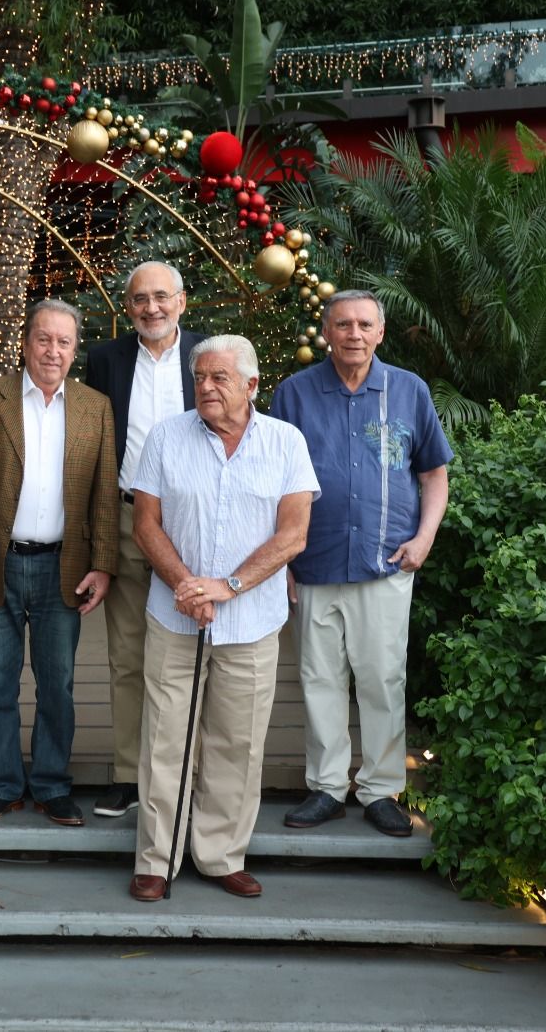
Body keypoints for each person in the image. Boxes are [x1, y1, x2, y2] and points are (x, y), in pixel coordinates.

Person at [126, 335, 317, 901]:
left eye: (219, 378)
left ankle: (219, 855)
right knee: (164, 738)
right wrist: (189, 585)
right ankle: (156, 861)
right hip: (174, 613)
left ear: (252, 385)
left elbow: (293, 535)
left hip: (252, 622)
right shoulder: (166, 437)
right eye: (200, 377)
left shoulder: (286, 443)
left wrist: (228, 587)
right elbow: (146, 526)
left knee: (238, 743)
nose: (206, 387)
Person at [269, 290, 451, 838]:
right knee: (320, 678)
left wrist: (424, 538)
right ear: (327, 330)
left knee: (382, 679)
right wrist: (280, 562)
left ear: (380, 332)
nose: (353, 333)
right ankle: (326, 786)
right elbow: (272, 483)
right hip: (313, 564)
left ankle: (381, 790)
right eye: (342, 323)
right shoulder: (294, 394)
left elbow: (433, 476)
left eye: (363, 324)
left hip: (386, 563)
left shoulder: (409, 391)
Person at [0, 299, 119, 827]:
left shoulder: (96, 407)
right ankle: (3, 784)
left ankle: (50, 784)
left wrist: (104, 563)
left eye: (63, 342)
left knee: (58, 684)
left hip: (63, 567)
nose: (52, 350)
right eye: (43, 339)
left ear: (75, 350)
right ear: (25, 343)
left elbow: (104, 497)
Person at [82, 261, 205, 818]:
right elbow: (93, 441)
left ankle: (190, 773)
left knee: (193, 655)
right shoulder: (106, 360)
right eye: (139, 300)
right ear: (127, 307)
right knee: (128, 656)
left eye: (161, 297)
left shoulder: (209, 355)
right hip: (130, 521)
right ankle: (130, 776)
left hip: (195, 526)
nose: (150, 308)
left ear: (182, 301)